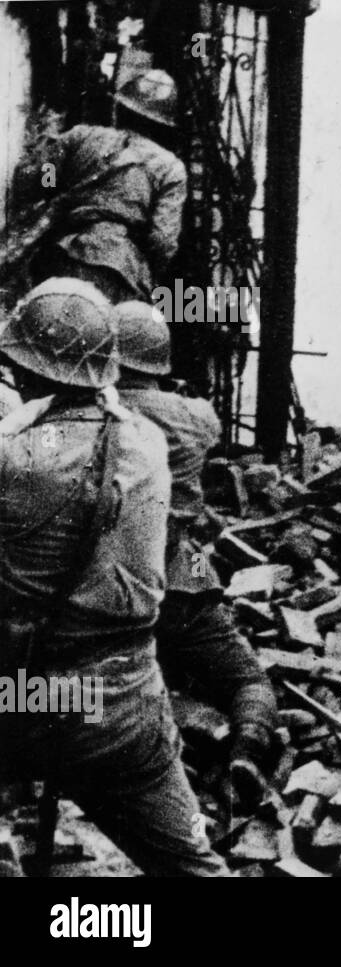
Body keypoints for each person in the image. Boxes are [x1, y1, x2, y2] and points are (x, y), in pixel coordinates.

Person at [0, 279, 227, 876]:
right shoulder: (148, 441)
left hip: (25, 702)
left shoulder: (16, 455)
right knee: (193, 868)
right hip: (124, 705)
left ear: (24, 373)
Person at [113, 301, 278, 814]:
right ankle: (248, 742)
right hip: (185, 579)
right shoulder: (196, 416)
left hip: (113, 586)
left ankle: (169, 750)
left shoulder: (99, 416)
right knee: (247, 679)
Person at [25, 69, 187, 302]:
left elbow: (45, 175)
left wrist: (53, 196)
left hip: (61, 254)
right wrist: (147, 272)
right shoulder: (170, 167)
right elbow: (162, 240)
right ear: (163, 126)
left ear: (118, 110)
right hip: (121, 269)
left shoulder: (80, 135)